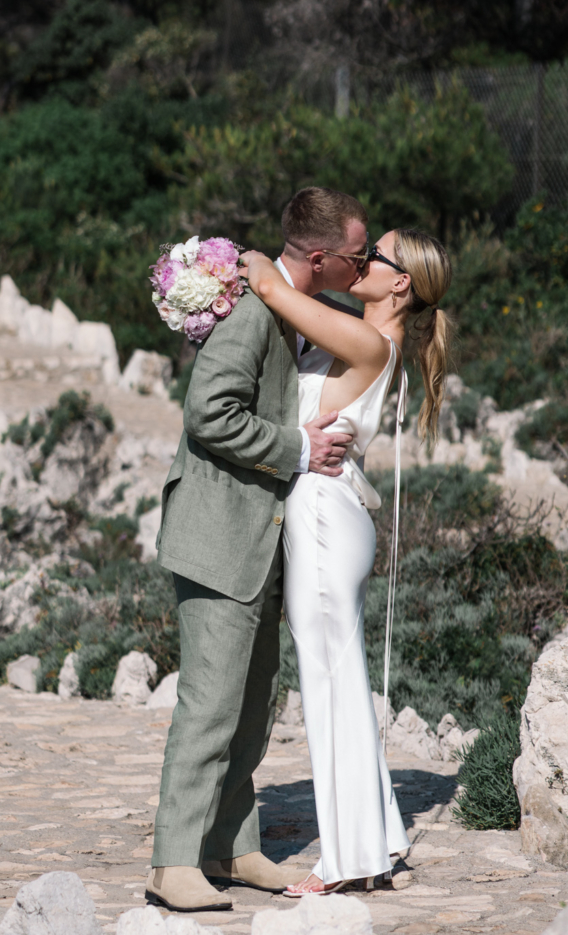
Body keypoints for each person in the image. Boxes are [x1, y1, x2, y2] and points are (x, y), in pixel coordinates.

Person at [146, 187, 371, 914]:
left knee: (251, 706)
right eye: (356, 254)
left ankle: (232, 846)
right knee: (209, 706)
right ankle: (173, 862)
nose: (363, 264)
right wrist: (297, 449)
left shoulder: (302, 310)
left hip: (262, 545)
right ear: (318, 256)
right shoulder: (248, 314)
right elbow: (208, 413)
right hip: (219, 538)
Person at [239, 227, 453, 894]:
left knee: (330, 690)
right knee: (339, 684)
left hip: (329, 519)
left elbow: (270, 283)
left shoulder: (367, 340)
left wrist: (217, 260)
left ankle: (349, 863)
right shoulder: (352, 333)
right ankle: (378, 838)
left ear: (399, 283)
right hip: (328, 516)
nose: (359, 263)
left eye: (374, 256)